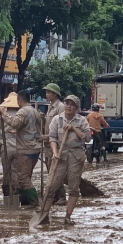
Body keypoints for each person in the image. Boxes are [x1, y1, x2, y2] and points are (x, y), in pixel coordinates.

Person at [34, 94, 90, 225]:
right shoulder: (57, 119)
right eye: (67, 103)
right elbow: (52, 138)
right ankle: (44, 214)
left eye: (72, 104)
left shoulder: (82, 121)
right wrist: (55, 152)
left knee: (73, 188)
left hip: (76, 156)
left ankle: (68, 217)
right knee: (51, 186)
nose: (69, 106)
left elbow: (87, 138)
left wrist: (73, 129)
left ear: (76, 107)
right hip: (60, 155)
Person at [3, 90, 42, 206]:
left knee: (23, 179)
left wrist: (4, 114)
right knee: (26, 177)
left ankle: (34, 202)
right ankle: (25, 202)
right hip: (35, 147)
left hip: (26, 148)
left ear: (20, 100)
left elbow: (15, 122)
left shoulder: (23, 111)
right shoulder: (35, 112)